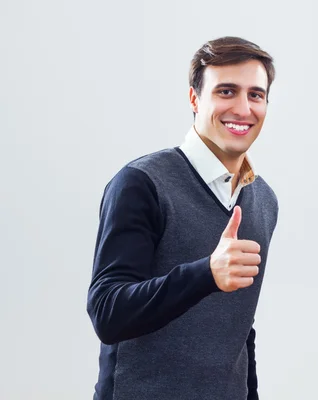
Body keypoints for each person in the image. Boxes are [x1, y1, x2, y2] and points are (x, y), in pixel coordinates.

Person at [87, 36, 278, 400]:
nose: (243, 108)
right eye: (226, 91)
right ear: (194, 98)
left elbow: (240, 329)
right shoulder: (141, 183)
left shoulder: (264, 201)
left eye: (256, 95)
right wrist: (206, 273)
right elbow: (107, 312)